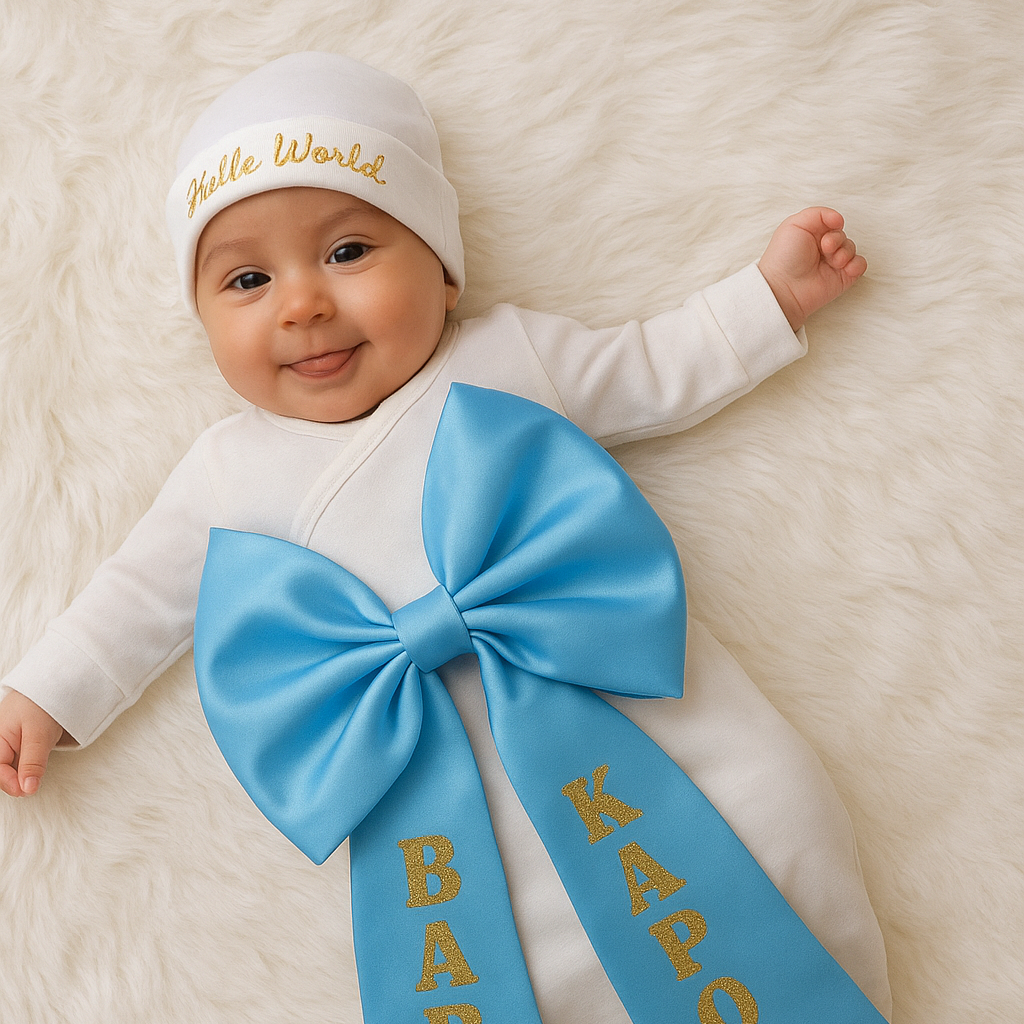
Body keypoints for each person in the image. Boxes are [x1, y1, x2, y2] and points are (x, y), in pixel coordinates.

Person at [0, 52, 888, 1022]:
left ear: (441, 263)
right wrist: (46, 691)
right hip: (438, 809)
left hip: (644, 723)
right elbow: (137, 595)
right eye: (248, 278)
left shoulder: (506, 361)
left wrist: (768, 300)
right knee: (514, 969)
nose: (302, 303)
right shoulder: (227, 472)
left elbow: (650, 363)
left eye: (347, 252)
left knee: (765, 849)